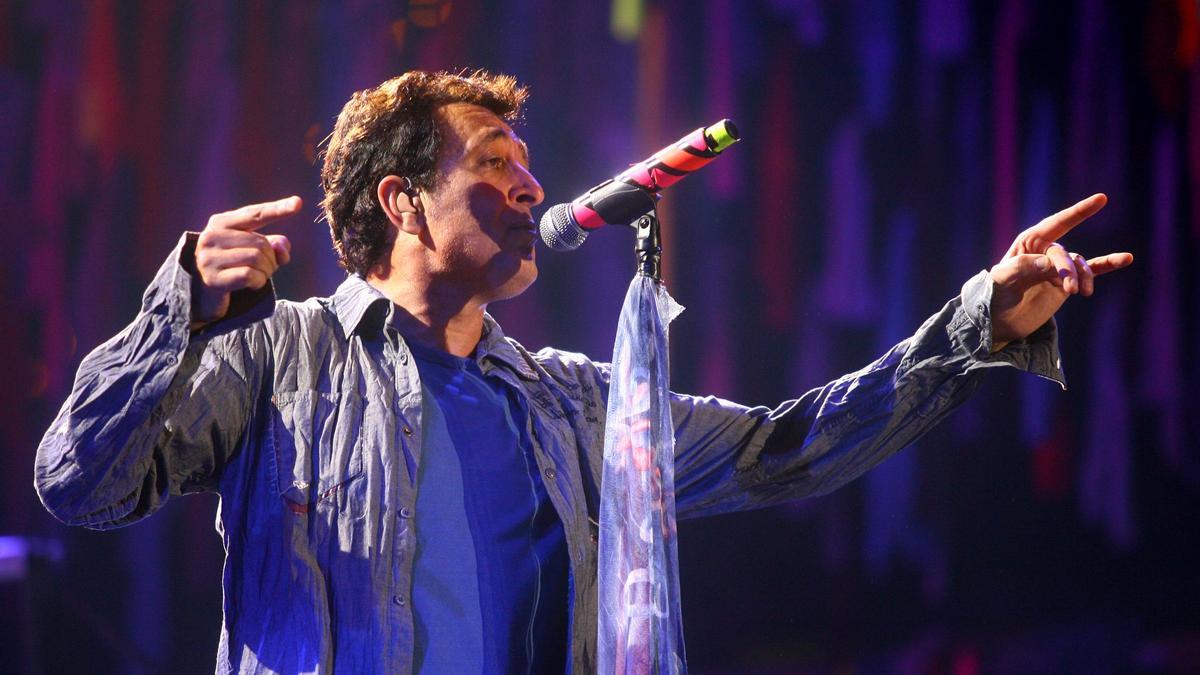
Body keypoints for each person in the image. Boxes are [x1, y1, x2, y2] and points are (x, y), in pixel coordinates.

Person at [34, 70, 1132, 674]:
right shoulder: (280, 360)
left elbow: (783, 447)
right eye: (494, 162)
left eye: (532, 165)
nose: (530, 184)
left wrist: (978, 317)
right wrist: (174, 307)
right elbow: (79, 485)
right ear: (400, 200)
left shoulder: (571, 400)